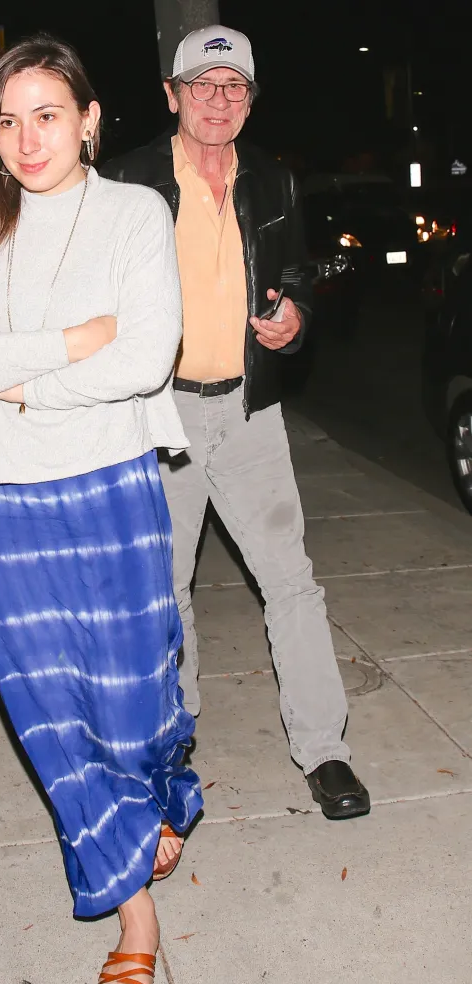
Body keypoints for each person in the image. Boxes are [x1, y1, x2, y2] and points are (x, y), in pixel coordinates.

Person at [0, 34, 202, 984]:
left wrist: (19, 378)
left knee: (131, 699)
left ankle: (160, 787)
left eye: (47, 115)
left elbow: (143, 357)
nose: (25, 139)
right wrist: (70, 344)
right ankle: (135, 920)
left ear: (88, 118)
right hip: (0, 493)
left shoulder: (132, 210)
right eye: (6, 120)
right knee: (48, 709)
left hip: (111, 480)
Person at [102, 24, 370, 821]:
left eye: (233, 88)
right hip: (165, 413)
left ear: (249, 100)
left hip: (251, 411)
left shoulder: (275, 182)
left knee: (290, 582)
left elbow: (292, 275)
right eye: (201, 86)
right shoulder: (126, 183)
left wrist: (296, 315)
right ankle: (173, 741)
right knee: (168, 590)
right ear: (170, 94)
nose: (218, 102)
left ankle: (325, 751)